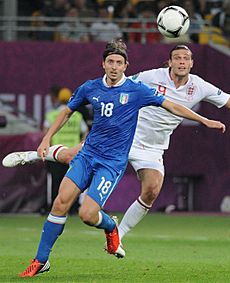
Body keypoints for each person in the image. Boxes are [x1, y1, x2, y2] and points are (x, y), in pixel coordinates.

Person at [2, 43, 227, 275]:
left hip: (130, 153)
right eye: (111, 62)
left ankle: (115, 230)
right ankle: (41, 259)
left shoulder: (148, 89)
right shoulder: (104, 85)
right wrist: (46, 138)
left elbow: (172, 106)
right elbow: (68, 111)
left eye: (119, 63)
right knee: (62, 194)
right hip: (101, 147)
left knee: (123, 201)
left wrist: (205, 120)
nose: (114, 66)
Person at [44, 87, 88, 212]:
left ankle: (53, 206)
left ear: (58, 99)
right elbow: (85, 131)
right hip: (74, 153)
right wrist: (81, 144)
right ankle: (73, 208)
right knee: (73, 181)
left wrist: (48, 147)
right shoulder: (77, 116)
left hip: (56, 153)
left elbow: (46, 132)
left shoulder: (52, 114)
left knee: (55, 182)